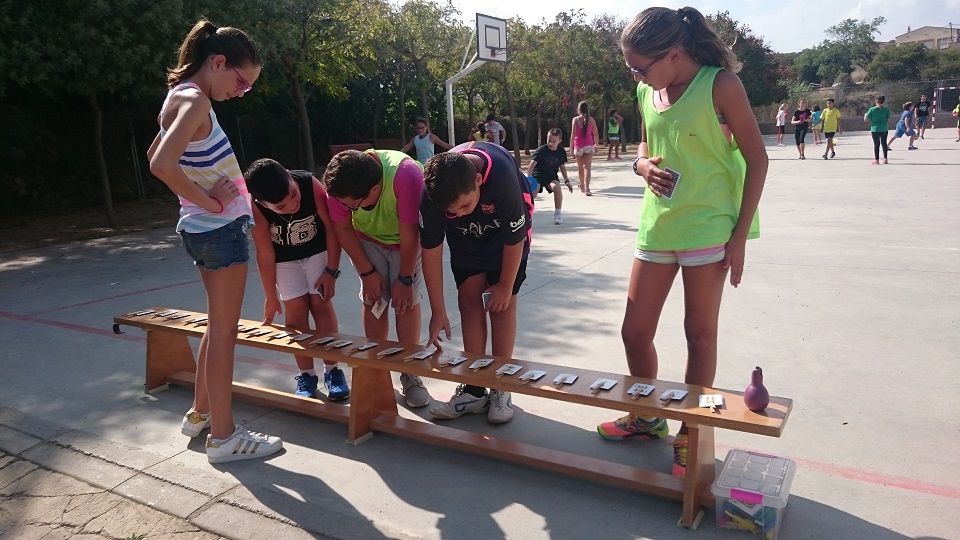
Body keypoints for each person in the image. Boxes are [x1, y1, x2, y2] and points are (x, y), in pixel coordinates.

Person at [599, 6, 767, 479]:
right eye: (630, 66)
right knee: (634, 332)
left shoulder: (720, 85)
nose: (634, 75)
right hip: (658, 226)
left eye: (640, 66)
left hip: (708, 228)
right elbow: (645, 144)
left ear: (673, 54)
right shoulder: (646, 90)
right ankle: (646, 415)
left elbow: (757, 159)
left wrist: (740, 236)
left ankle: (691, 433)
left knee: (699, 334)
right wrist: (641, 166)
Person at [146, 19, 282, 463]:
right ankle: (224, 437)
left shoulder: (178, 96)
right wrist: (213, 201)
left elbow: (153, 153)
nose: (242, 92)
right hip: (218, 230)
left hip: (200, 229)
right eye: (241, 82)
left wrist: (203, 202)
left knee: (215, 326)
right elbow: (161, 166)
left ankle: (200, 413)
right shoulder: (196, 101)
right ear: (218, 62)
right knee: (224, 332)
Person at [419, 141, 534, 425]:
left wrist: (505, 286)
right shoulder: (433, 191)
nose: (459, 213)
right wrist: (437, 310)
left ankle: (501, 385)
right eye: (452, 212)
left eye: (464, 205)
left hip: (507, 240)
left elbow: (515, 239)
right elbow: (431, 252)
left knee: (501, 307)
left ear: (479, 180)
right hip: (465, 241)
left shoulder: (501, 176)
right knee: (469, 303)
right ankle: (474, 389)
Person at [322, 149, 433, 408]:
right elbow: (343, 228)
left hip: (404, 242)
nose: (348, 208)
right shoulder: (340, 184)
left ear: (374, 189)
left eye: (352, 205)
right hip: (367, 240)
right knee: (374, 300)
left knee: (405, 302)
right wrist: (367, 273)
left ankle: (410, 373)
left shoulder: (406, 175)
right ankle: (376, 369)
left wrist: (405, 279)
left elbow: (410, 233)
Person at [244, 158, 350, 402]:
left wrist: (331, 271)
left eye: (293, 194)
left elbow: (332, 228)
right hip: (284, 260)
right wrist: (271, 296)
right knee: (295, 311)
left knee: (321, 304)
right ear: (262, 203)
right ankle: (306, 374)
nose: (293, 204)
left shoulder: (309, 183)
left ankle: (333, 370)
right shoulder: (254, 207)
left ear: (290, 175)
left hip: (318, 252)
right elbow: (265, 253)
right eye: (281, 206)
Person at [528, 128, 572, 224]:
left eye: (554, 141)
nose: (550, 143)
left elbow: (562, 167)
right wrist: (529, 178)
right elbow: (532, 165)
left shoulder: (561, 151)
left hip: (551, 177)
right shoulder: (541, 150)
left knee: (557, 187)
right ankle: (526, 213)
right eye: (549, 140)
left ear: (559, 141)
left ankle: (558, 213)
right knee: (533, 192)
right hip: (538, 175)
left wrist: (567, 180)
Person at [571, 101, 600, 195]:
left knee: (580, 168)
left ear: (579, 110)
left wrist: (571, 148)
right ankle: (587, 188)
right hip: (589, 146)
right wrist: (596, 145)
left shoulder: (575, 120)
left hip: (578, 146)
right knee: (587, 168)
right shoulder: (591, 120)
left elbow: (573, 134)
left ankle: (582, 186)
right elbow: (595, 134)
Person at [864, 95, 891, 164]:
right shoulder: (886, 109)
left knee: (876, 144)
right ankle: (885, 159)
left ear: (876, 101)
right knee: (884, 143)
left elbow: (866, 120)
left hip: (875, 129)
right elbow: (889, 119)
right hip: (884, 128)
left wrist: (865, 115)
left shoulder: (872, 109)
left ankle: (877, 160)